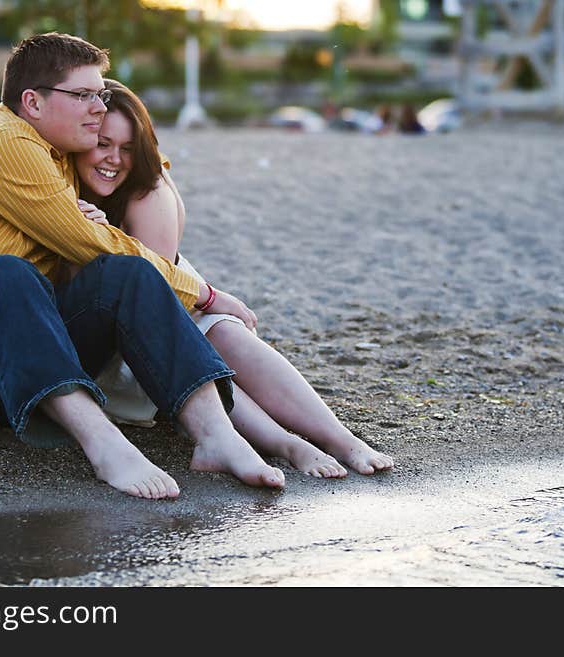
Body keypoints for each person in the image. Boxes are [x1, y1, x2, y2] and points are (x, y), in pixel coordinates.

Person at [0, 33, 286, 500]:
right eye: (83, 95)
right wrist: (206, 294)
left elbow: (146, 168)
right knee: (5, 272)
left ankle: (216, 435)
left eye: (101, 94)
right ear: (32, 102)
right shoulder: (1, 143)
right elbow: (85, 241)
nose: (97, 106)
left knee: (127, 273)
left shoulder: (67, 152)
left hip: (15, 375)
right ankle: (104, 443)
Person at [73, 79, 394, 478]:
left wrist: (208, 299)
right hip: (110, 343)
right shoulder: (55, 184)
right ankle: (287, 443)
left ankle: (340, 438)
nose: (114, 159)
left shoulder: (147, 192)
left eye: (126, 148)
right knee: (205, 350)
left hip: (159, 311)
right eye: (103, 143)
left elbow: (154, 295)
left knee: (223, 333)